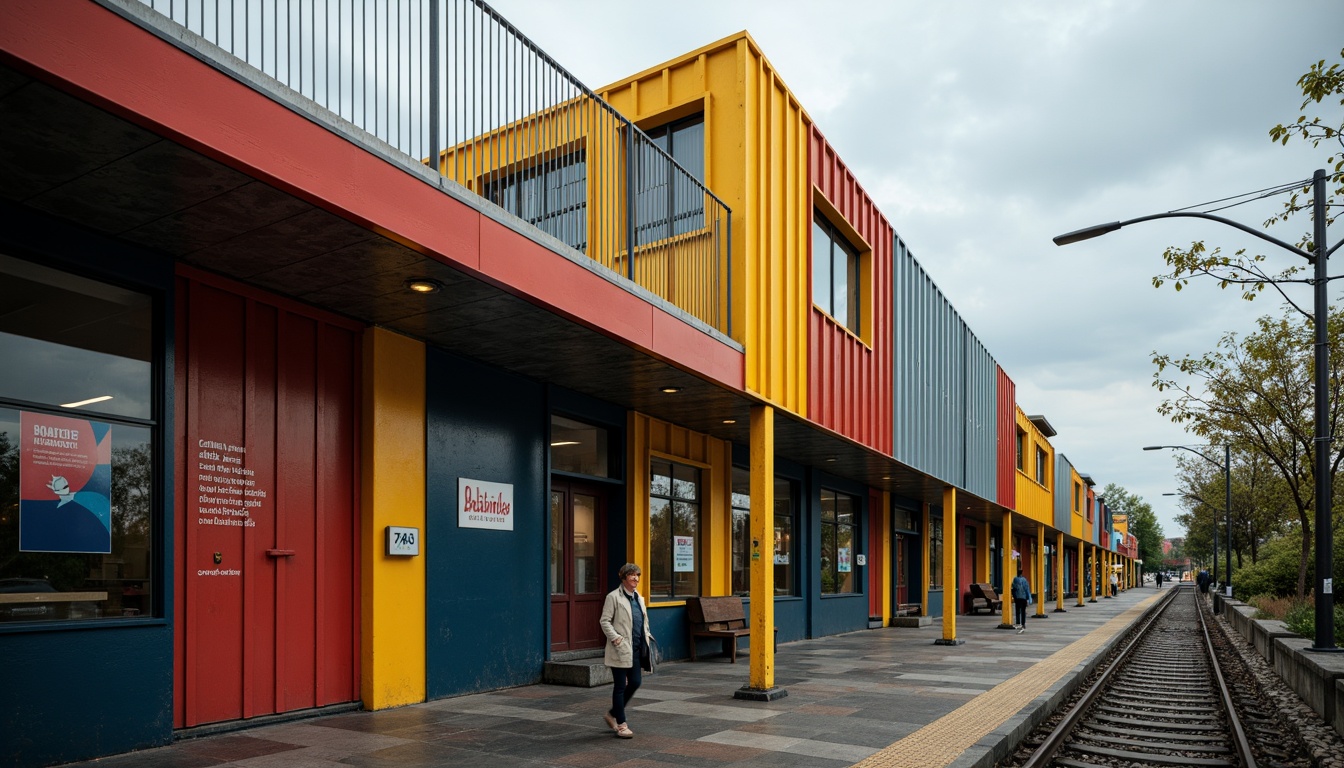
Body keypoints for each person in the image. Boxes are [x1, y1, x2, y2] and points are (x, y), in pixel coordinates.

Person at [599, 563, 654, 739]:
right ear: (623, 578)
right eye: (632, 575)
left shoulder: (639, 598)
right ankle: (621, 725)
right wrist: (616, 638)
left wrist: (646, 635)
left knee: (636, 682)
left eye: (638, 575)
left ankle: (612, 713)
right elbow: (604, 621)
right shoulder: (613, 597)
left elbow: (642, 620)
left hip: (637, 648)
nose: (636, 579)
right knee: (621, 686)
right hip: (621, 648)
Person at [1010, 567, 1031, 634]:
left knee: (1017, 611)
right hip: (1023, 598)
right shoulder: (1024, 580)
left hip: (1017, 598)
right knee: (1023, 611)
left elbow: (1013, 589)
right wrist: (1028, 598)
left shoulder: (1015, 580)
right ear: (1022, 573)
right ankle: (1023, 624)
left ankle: (1018, 623)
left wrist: (1014, 596)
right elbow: (1027, 589)